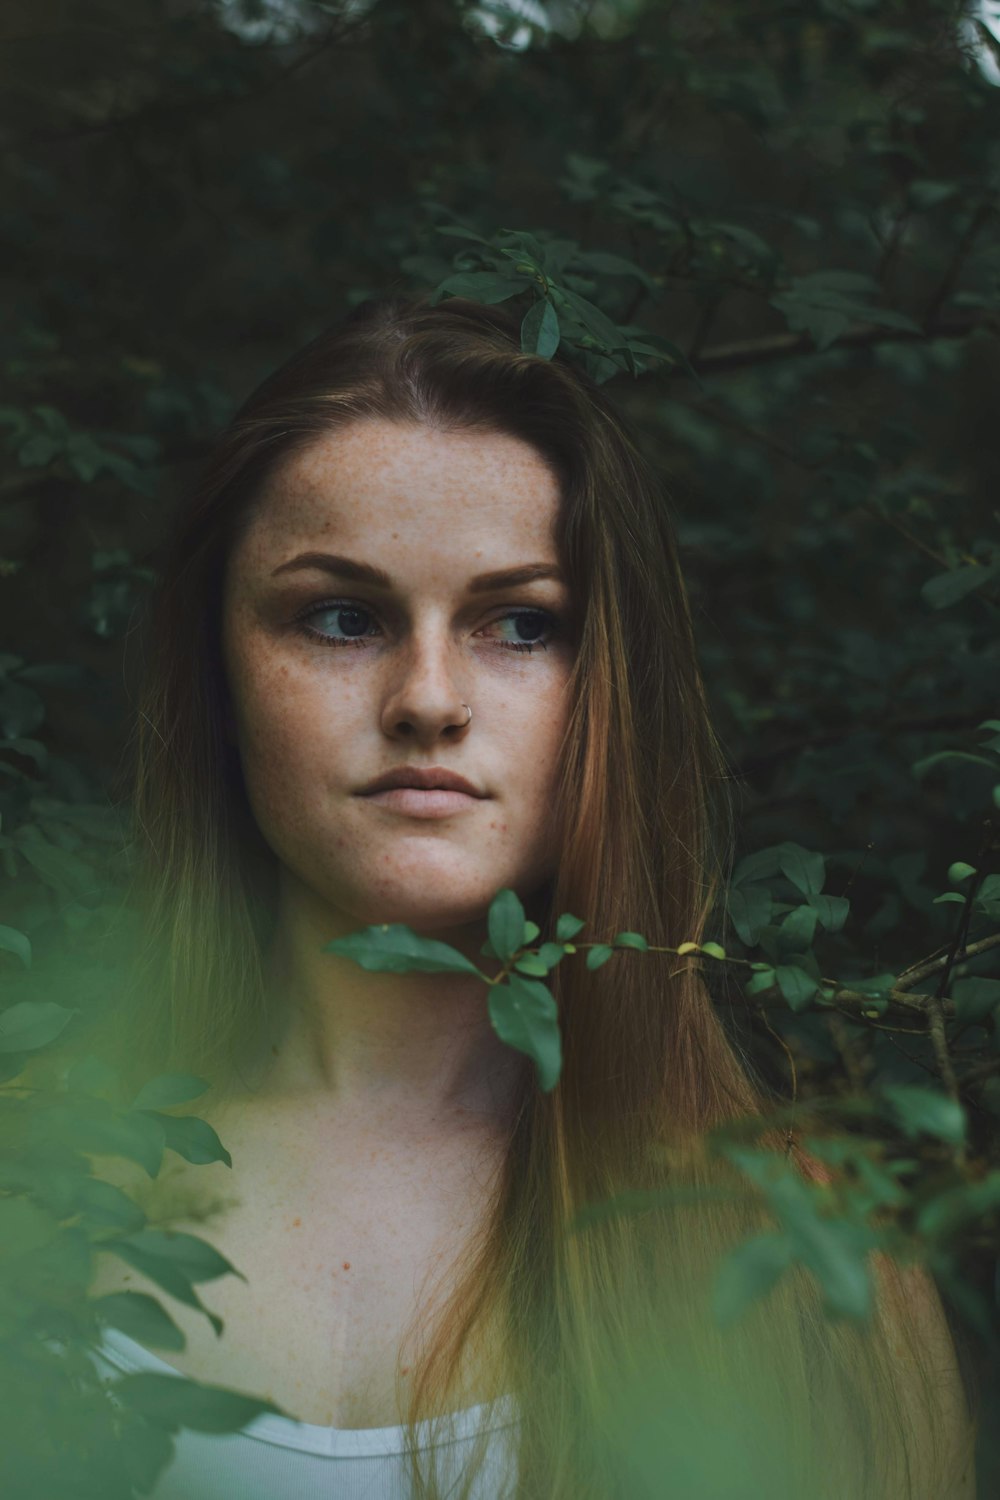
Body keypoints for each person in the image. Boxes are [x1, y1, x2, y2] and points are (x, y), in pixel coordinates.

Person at [79, 294, 973, 1499]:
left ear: (607, 686)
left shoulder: (793, 1246)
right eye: (340, 617)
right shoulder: (39, 1189)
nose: (429, 698)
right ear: (220, 677)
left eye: (518, 624)